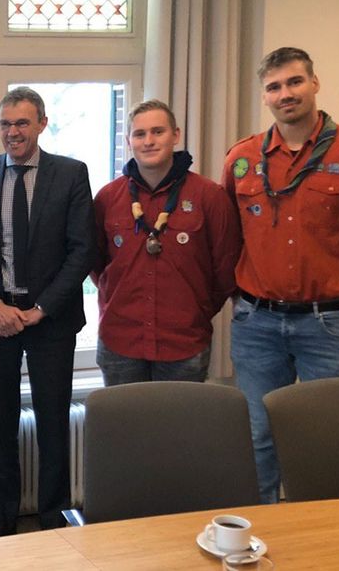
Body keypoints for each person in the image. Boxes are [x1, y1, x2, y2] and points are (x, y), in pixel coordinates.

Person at [223, 47, 339, 503]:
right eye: (274, 86)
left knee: (333, 441)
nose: (285, 93)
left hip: (332, 327)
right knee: (256, 439)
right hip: (258, 326)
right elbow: (227, 236)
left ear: (314, 84)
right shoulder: (242, 158)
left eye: (294, 82)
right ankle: (259, 540)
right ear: (264, 96)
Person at [0, 87, 95, 535]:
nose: (12, 132)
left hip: (50, 322)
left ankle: (54, 521)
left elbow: (82, 250)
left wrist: (41, 309)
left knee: (54, 424)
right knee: (0, 425)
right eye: (5, 124)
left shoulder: (72, 173)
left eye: (21, 123)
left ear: (41, 123)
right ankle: (2, 526)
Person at [91, 100, 240, 385]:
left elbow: (225, 271)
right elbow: (97, 266)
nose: (148, 141)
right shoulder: (108, 198)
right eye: (140, 134)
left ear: (176, 135)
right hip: (120, 341)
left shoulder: (209, 196)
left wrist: (193, 311)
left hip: (184, 343)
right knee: (125, 429)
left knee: (179, 429)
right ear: (128, 141)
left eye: (158, 132)